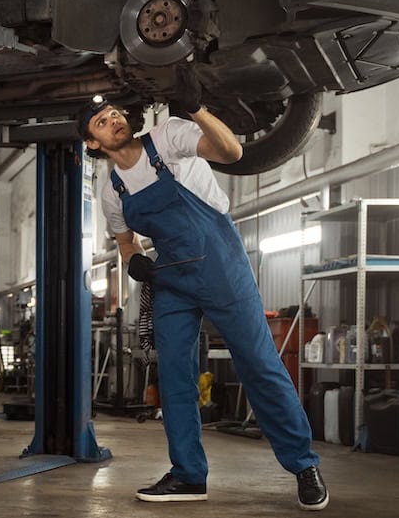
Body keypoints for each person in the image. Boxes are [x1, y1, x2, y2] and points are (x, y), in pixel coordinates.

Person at [78, 93, 328, 511]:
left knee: (259, 363)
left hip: (220, 263)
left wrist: (195, 107)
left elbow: (231, 151)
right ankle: (188, 474)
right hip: (172, 278)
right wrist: (134, 260)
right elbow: (125, 241)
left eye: (115, 114)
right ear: (93, 144)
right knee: (175, 378)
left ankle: (304, 465)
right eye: (101, 123)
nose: (114, 121)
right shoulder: (113, 191)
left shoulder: (169, 136)